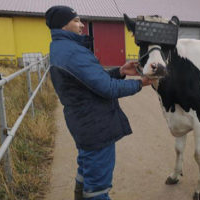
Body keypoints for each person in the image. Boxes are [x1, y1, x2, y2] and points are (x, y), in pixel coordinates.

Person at [45, 5, 153, 200]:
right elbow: (107, 88)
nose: (81, 25)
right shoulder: (73, 53)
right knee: (97, 188)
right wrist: (141, 84)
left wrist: (119, 71)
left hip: (83, 122)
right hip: (95, 126)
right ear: (63, 25)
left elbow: (89, 80)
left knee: (86, 167)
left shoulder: (62, 48)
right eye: (76, 20)